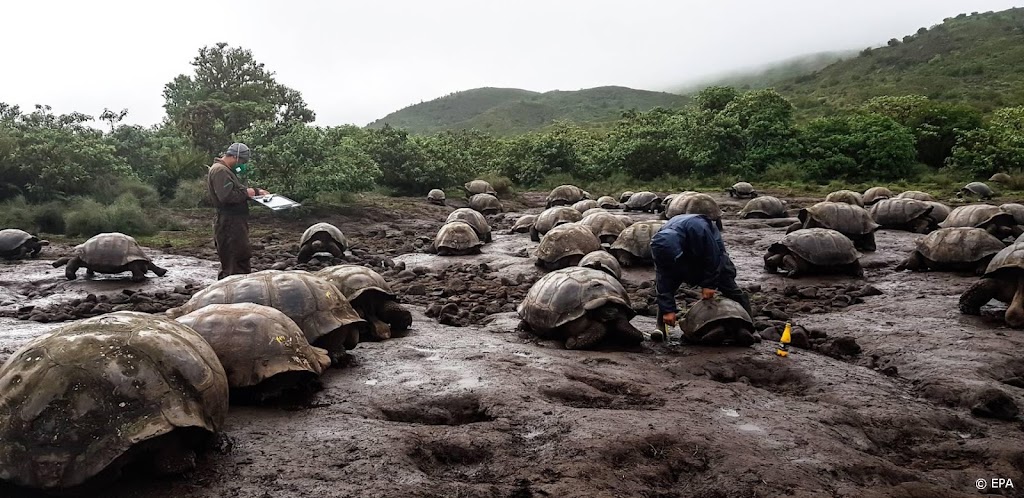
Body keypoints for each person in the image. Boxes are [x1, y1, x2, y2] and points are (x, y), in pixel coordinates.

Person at [650, 213, 752, 336]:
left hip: (707, 242)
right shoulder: (659, 243)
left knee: (727, 282)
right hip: (683, 242)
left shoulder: (699, 230)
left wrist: (709, 285)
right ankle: (660, 326)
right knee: (669, 282)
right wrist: (668, 310)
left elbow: (713, 258)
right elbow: (663, 278)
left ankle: (751, 325)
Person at [206, 143, 268, 279]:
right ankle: (231, 297)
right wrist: (249, 193)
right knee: (235, 263)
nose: (242, 165)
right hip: (229, 224)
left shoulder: (226, 170)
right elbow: (227, 196)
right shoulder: (220, 171)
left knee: (237, 260)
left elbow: (236, 191)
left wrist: (255, 192)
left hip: (234, 223)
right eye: (242, 161)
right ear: (235, 156)